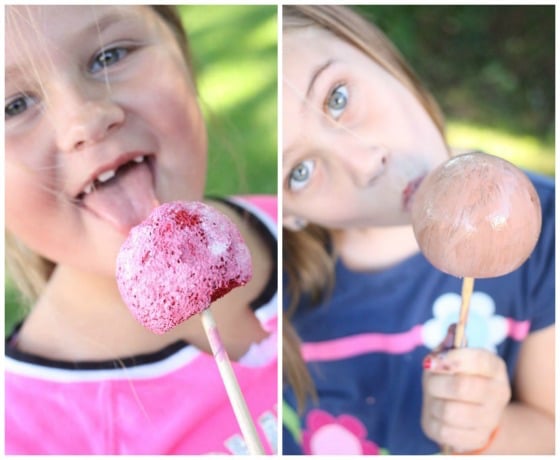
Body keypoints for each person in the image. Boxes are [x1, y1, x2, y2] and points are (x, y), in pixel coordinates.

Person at [281, 5, 554, 455]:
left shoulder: (547, 231)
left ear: (377, 53)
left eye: (337, 98)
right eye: (300, 172)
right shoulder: (285, 306)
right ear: (289, 212)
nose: (366, 162)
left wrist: (486, 430)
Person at [5, 5, 278, 455]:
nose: (86, 121)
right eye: (14, 105)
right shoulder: (24, 437)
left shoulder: (296, 231)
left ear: (184, 56)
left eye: (110, 56)